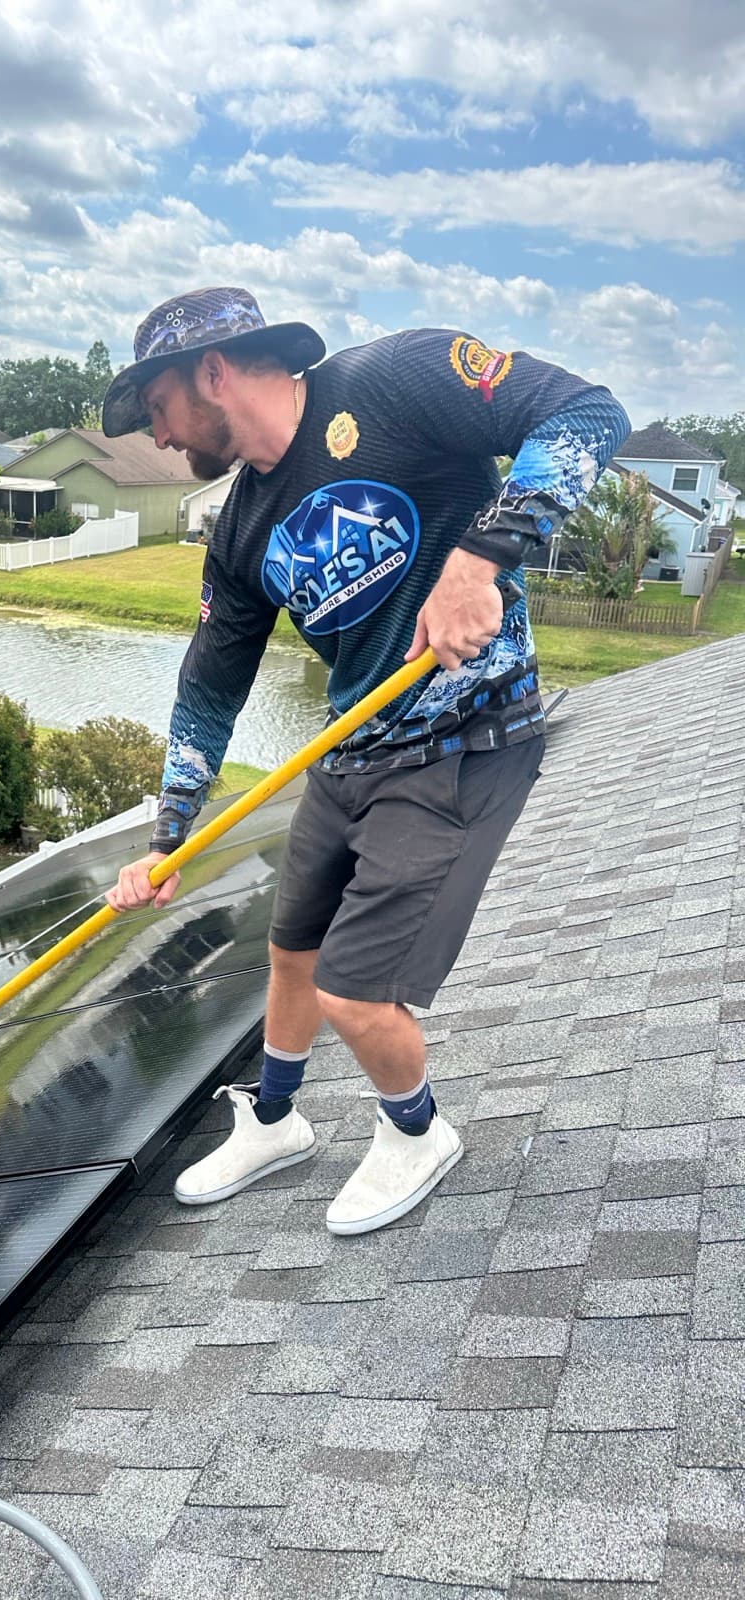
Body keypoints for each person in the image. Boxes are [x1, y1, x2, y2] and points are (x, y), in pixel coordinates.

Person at [103, 287, 629, 1235]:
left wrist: (480, 561)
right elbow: (209, 690)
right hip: (350, 753)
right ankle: (273, 1119)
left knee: (355, 986)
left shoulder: (396, 379)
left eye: (160, 409)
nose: (163, 437)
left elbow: (588, 412)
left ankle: (417, 1132)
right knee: (292, 951)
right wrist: (170, 834)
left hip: (466, 740)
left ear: (212, 372)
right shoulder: (240, 526)